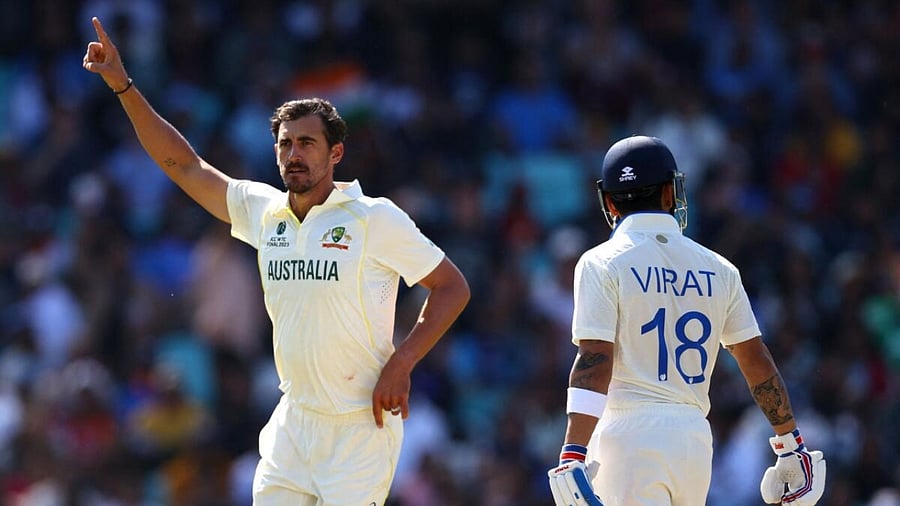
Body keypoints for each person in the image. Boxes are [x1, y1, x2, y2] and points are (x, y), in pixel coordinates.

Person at [82, 17, 471, 506]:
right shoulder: (264, 212)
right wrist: (122, 84)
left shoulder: (374, 217)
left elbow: (452, 286)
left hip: (358, 427)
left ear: (336, 153)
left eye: (307, 143)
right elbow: (184, 165)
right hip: (294, 421)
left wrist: (403, 360)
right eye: (285, 144)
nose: (294, 154)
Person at [547, 136, 825, 506]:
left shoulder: (600, 262)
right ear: (669, 194)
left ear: (609, 201)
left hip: (628, 437)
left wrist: (572, 452)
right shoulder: (718, 268)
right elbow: (754, 358)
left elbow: (595, 357)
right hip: (693, 440)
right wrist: (791, 444)